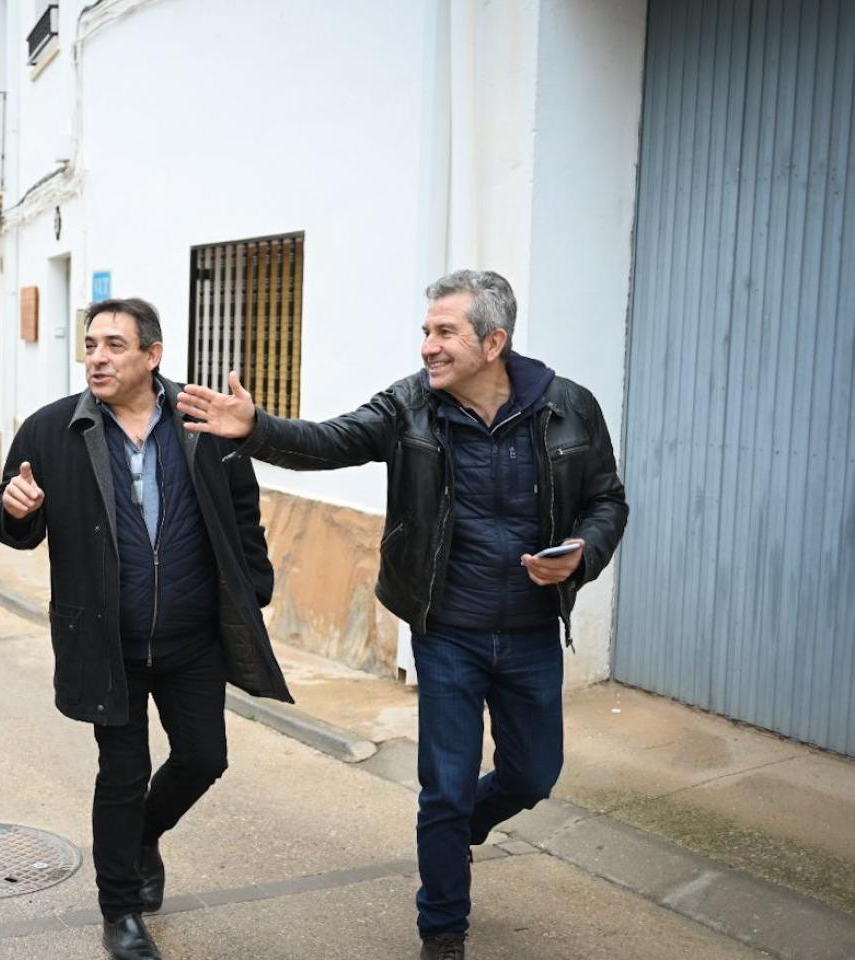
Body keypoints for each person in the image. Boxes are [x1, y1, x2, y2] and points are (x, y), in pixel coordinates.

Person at [176, 269, 629, 960]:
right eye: (427, 332)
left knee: (533, 775)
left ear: (494, 341)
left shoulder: (569, 407)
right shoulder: (411, 407)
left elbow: (607, 500)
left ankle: (458, 838)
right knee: (443, 789)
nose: (428, 347)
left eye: (445, 332)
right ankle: (442, 928)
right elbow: (333, 441)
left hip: (533, 630)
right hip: (447, 629)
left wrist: (582, 553)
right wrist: (257, 430)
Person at [0, 297, 291, 960]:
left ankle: (140, 837)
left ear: (152, 355)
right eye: (91, 345)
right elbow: (13, 520)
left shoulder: (202, 421)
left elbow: (245, 511)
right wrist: (15, 510)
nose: (97, 356)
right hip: (107, 641)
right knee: (121, 774)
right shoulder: (51, 430)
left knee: (205, 757)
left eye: (114, 345)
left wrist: (253, 586)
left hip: (192, 639)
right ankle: (120, 911)